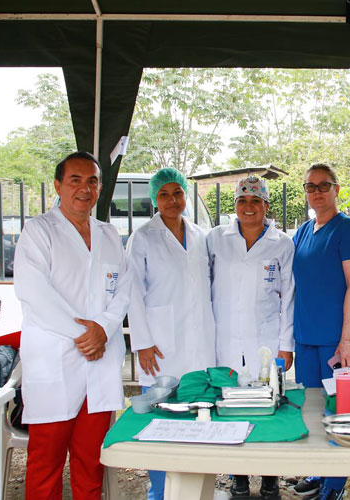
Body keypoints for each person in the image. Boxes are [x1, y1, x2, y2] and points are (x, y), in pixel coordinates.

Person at [14, 152, 131, 499]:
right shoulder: (39, 231)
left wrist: (103, 328)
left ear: (100, 188)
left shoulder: (109, 234)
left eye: (92, 181)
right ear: (58, 186)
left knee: (91, 463)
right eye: (75, 180)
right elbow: (34, 292)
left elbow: (124, 288)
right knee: (45, 462)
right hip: (56, 359)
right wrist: (85, 335)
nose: (85, 189)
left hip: (100, 361)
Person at [126, 167, 217, 500]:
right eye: (163, 194)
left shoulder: (201, 235)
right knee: (160, 421)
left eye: (177, 192)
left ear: (185, 195)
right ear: (154, 199)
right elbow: (132, 292)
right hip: (160, 344)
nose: (171, 200)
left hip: (200, 342)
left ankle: (197, 488)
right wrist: (143, 343)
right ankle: (160, 491)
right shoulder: (143, 237)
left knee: (200, 417)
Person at [207, 176, 295, 500]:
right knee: (232, 407)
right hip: (227, 340)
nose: (248, 207)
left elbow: (289, 297)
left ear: (266, 206)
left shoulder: (282, 243)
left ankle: (270, 478)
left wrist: (286, 345)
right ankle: (239, 477)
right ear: (234, 205)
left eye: (256, 201)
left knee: (268, 407)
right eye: (242, 201)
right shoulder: (216, 239)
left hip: (266, 340)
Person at [291, 163, 350, 500]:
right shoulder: (303, 232)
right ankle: (319, 470)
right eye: (310, 186)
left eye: (324, 185)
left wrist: (347, 339)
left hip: (339, 342)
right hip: (307, 337)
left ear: (337, 189)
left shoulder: (348, 229)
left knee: (338, 412)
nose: (317, 192)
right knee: (312, 411)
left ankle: (335, 485)